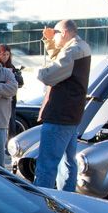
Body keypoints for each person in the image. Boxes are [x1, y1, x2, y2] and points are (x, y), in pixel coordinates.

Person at [33, 20, 92, 190]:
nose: (53, 37)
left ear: (64, 33)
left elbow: (49, 75)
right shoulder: (81, 47)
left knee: (46, 164)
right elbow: (59, 58)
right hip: (71, 116)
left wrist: (39, 70)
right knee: (67, 163)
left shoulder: (73, 51)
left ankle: (40, 200)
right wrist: (50, 41)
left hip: (59, 115)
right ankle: (66, 199)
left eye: (56, 34)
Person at [0, 43, 24, 132]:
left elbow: (20, 83)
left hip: (11, 100)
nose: (5, 57)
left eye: (7, 54)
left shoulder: (11, 66)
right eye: (3, 54)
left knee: (11, 125)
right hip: (0, 100)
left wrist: (15, 74)